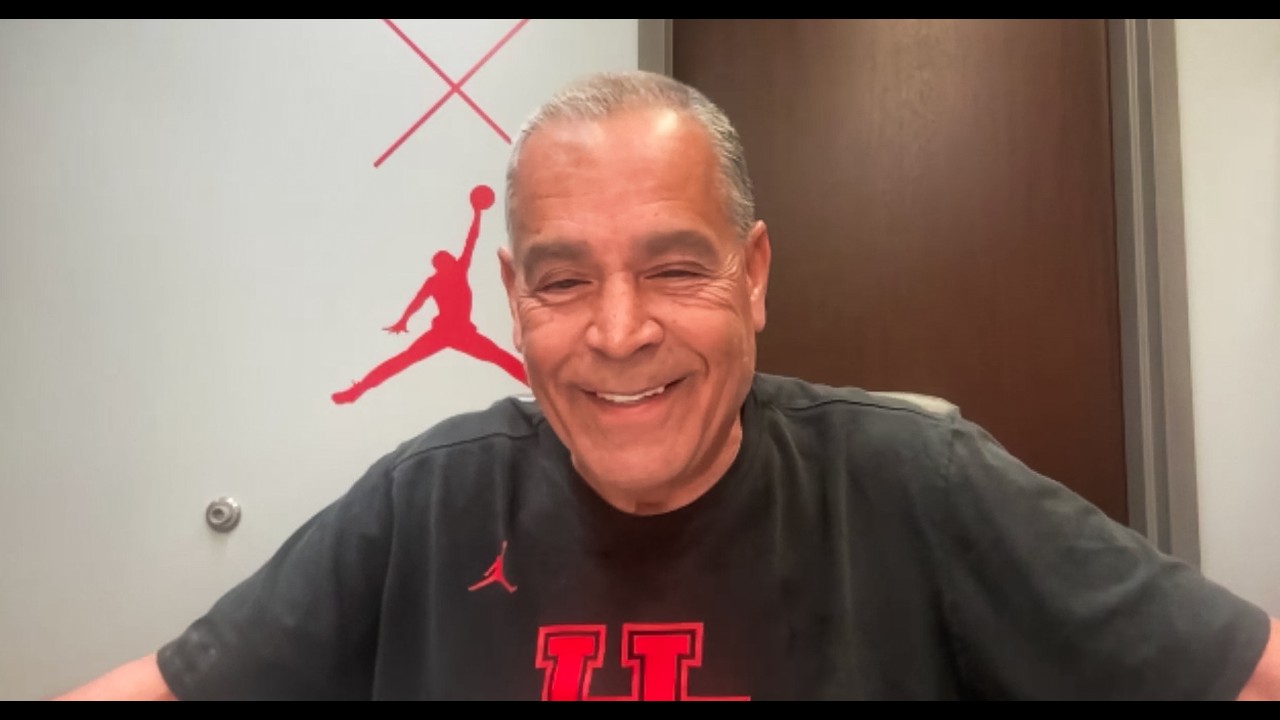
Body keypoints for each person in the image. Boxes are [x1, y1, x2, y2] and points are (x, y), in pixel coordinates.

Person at [55, 70, 1279, 701]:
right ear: (511, 298)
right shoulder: (424, 504)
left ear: (753, 275)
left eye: (673, 268)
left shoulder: (916, 481)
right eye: (563, 281)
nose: (618, 332)